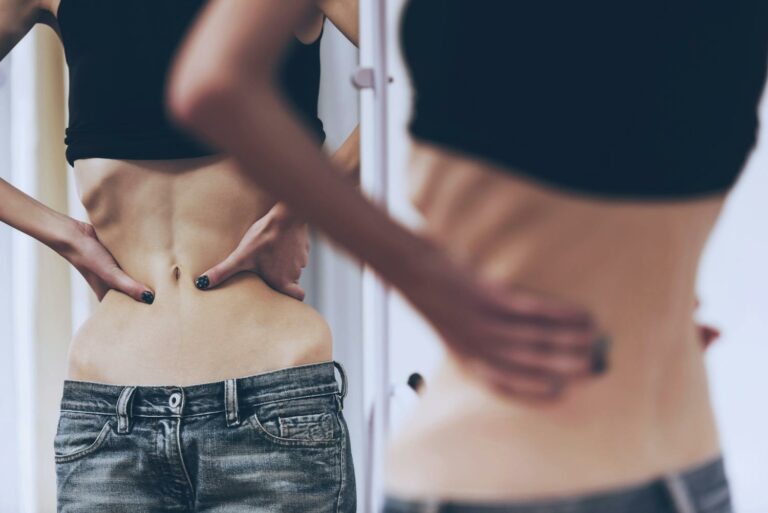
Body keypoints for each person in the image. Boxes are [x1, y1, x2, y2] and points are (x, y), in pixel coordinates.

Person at [169, 1, 768, 512]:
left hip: (680, 471)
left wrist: (647, 284)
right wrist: (426, 278)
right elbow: (216, 83)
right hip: (513, 475)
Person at [0, 0, 363, 511]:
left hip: (274, 412)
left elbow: (426, 76)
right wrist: (67, 236)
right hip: (107, 426)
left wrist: (302, 206)